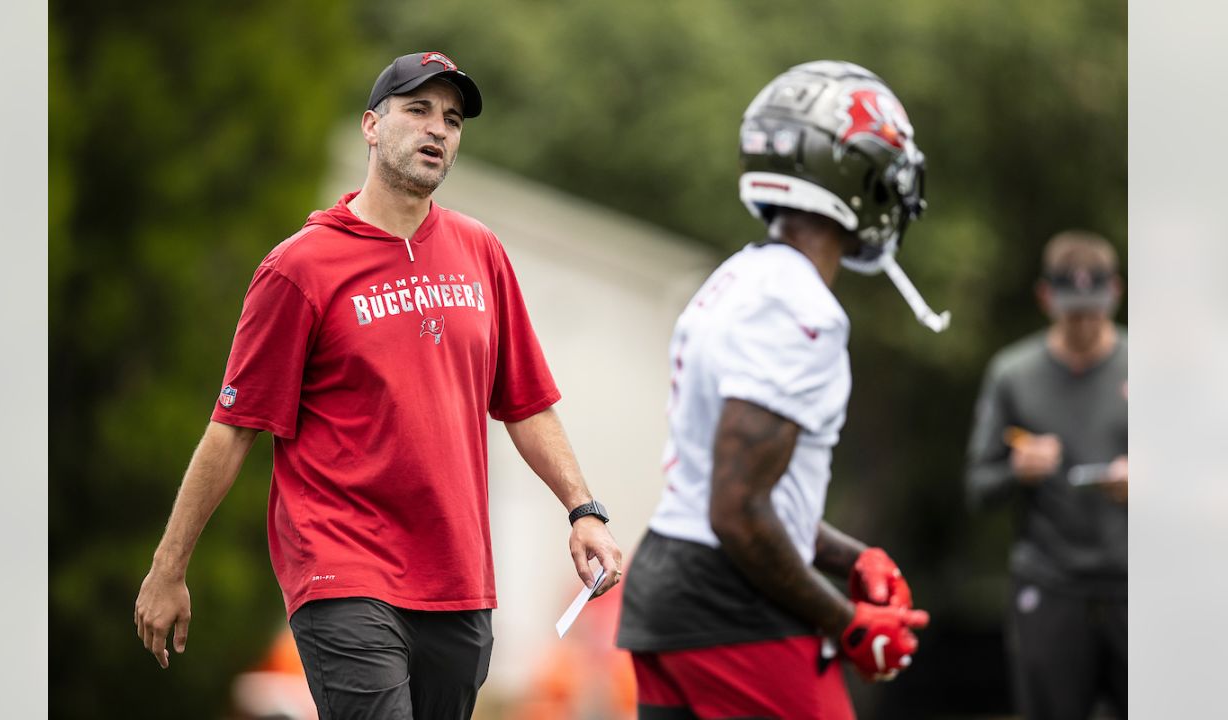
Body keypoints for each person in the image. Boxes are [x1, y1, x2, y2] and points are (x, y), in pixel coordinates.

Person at [133, 51, 623, 720]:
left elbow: (527, 403)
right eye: (417, 110)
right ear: (371, 125)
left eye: (451, 119)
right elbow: (234, 427)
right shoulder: (300, 268)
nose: (437, 129)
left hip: (458, 582)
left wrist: (583, 510)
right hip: (343, 570)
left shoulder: (481, 252)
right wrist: (169, 567)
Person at [616, 60, 947, 720]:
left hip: (673, 585)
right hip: (731, 605)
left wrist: (850, 556)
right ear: (849, 170)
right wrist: (847, 621)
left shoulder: (741, 278)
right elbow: (738, 510)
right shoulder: (801, 307)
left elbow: (744, 484)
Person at [965, 230, 1127, 720]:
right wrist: (1017, 469)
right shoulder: (1013, 374)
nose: (1083, 325)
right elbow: (977, 487)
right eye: (1072, 311)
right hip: (1051, 584)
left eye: (1093, 311)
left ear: (1115, 293)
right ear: (1045, 298)